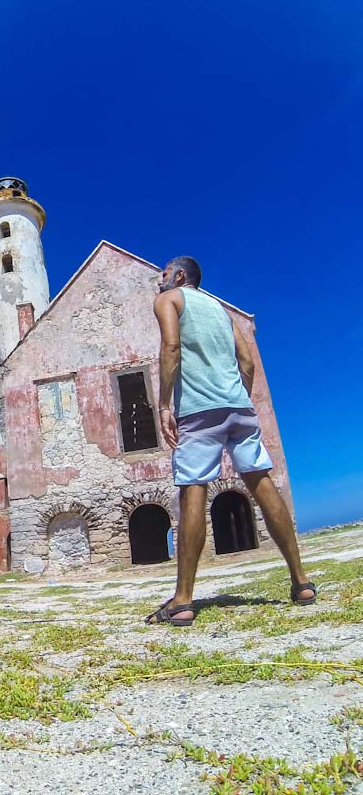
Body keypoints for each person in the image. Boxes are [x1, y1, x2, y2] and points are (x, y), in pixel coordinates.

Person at [146, 257, 314, 626]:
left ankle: (183, 600)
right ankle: (300, 582)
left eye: (162, 274)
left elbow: (171, 348)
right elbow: (247, 361)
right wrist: (240, 397)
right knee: (261, 481)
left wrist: (163, 405)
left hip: (198, 410)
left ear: (178, 276)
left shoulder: (169, 299)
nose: (157, 280)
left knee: (193, 489)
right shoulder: (222, 310)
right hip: (239, 406)